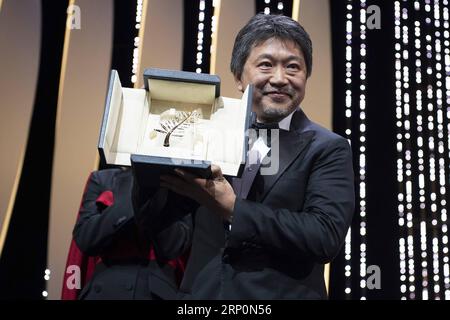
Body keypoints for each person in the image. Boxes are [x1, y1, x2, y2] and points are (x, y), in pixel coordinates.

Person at [158, 13, 355, 299]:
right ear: (239, 77)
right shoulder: (205, 136)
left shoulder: (328, 148)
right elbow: (172, 236)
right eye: (266, 65)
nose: (279, 78)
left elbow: (324, 236)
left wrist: (234, 208)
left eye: (293, 67)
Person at [62, 167, 196, 299]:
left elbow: (174, 246)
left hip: (154, 290)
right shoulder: (103, 179)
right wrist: (136, 187)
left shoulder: (178, 183)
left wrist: (153, 198)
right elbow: (85, 238)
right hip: (105, 287)